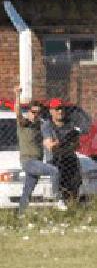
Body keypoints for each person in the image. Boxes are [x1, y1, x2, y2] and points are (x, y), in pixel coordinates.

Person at [13, 86, 66, 214]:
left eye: (38, 112)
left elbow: (48, 139)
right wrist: (17, 96)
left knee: (28, 190)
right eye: (33, 112)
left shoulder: (40, 125)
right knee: (54, 171)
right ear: (29, 112)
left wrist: (56, 142)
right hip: (29, 162)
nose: (36, 115)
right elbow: (17, 111)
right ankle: (57, 199)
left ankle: (20, 215)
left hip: (37, 161)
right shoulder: (23, 123)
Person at [42, 98, 82, 202]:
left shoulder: (70, 124)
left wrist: (74, 140)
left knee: (74, 185)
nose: (60, 111)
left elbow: (77, 145)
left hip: (69, 158)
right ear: (51, 111)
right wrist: (64, 140)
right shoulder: (47, 125)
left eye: (62, 109)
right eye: (57, 109)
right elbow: (50, 146)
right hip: (55, 159)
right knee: (60, 186)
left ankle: (73, 205)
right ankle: (59, 202)